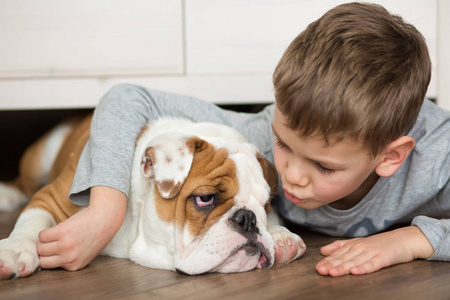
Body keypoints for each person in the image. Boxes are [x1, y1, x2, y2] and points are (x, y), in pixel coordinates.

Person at [36, 2, 450, 277]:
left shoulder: (438, 160)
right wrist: (108, 209)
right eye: (284, 144)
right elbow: (127, 97)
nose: (292, 177)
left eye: (324, 166)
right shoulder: (255, 139)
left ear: (391, 157)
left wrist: (414, 240)